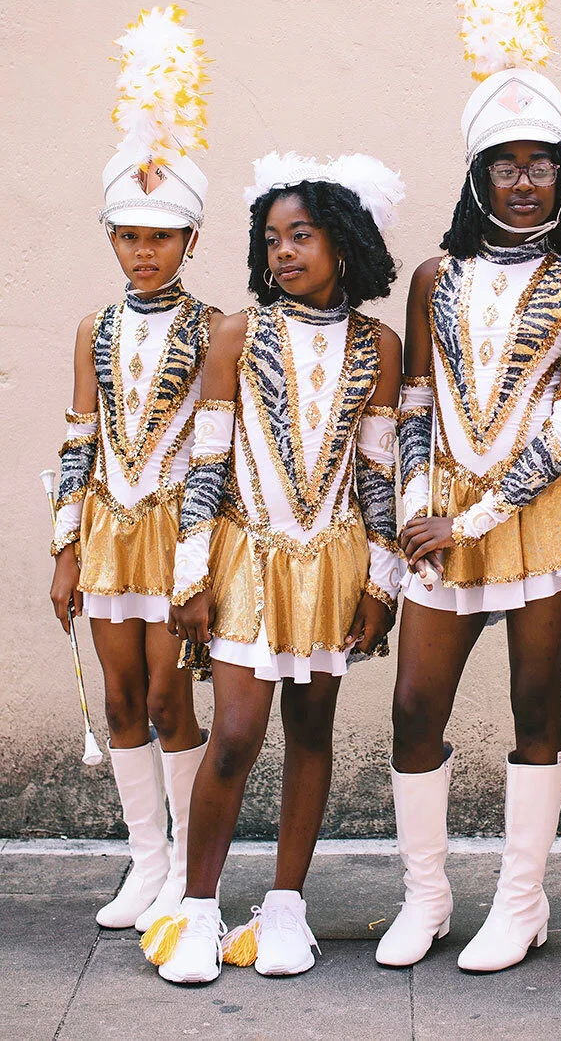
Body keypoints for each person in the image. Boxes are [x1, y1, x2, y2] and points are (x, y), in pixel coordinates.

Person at [378, 0, 561, 975]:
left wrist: (471, 519)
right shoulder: (433, 273)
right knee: (413, 705)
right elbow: (416, 405)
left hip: (541, 518)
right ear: (476, 175)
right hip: (441, 518)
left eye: (541, 162)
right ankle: (426, 894)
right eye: (504, 164)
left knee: (533, 703)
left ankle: (521, 901)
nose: (524, 181)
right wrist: (425, 504)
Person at [141, 152, 405, 984]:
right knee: (236, 733)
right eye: (271, 240)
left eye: (302, 235)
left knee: (312, 732)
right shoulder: (239, 333)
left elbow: (379, 472)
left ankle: (286, 905)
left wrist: (381, 581)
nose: (283, 252)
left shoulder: (380, 345)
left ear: (345, 242)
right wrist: (189, 579)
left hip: (333, 561)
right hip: (245, 557)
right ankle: (195, 906)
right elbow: (205, 462)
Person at [49, 6, 215, 932]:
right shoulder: (95, 329)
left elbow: (218, 444)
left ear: (190, 241)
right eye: (128, 236)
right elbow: (81, 438)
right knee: (117, 694)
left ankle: (193, 864)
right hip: (109, 529)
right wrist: (65, 548)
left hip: (177, 534)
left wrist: (201, 553)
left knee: (165, 692)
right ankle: (143, 862)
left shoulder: (213, 327)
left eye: (160, 237)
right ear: (111, 239)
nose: (143, 252)